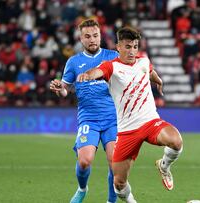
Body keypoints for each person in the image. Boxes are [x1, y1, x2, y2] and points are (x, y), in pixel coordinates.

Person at [77, 27, 183, 203]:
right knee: (119, 184)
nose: (132, 51)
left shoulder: (143, 62)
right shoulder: (112, 67)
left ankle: (164, 166)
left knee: (176, 141)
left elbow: (149, 71)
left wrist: (159, 80)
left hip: (150, 122)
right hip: (127, 131)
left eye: (135, 46)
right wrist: (87, 75)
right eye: (127, 46)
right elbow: (97, 72)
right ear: (118, 46)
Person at [49, 19, 118, 203]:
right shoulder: (74, 62)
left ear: (100, 36)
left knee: (115, 164)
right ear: (81, 39)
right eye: (87, 36)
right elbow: (65, 90)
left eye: (95, 35)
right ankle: (82, 189)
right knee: (84, 161)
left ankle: (111, 201)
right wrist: (59, 88)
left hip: (113, 119)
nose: (92, 39)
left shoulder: (113, 56)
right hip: (88, 119)